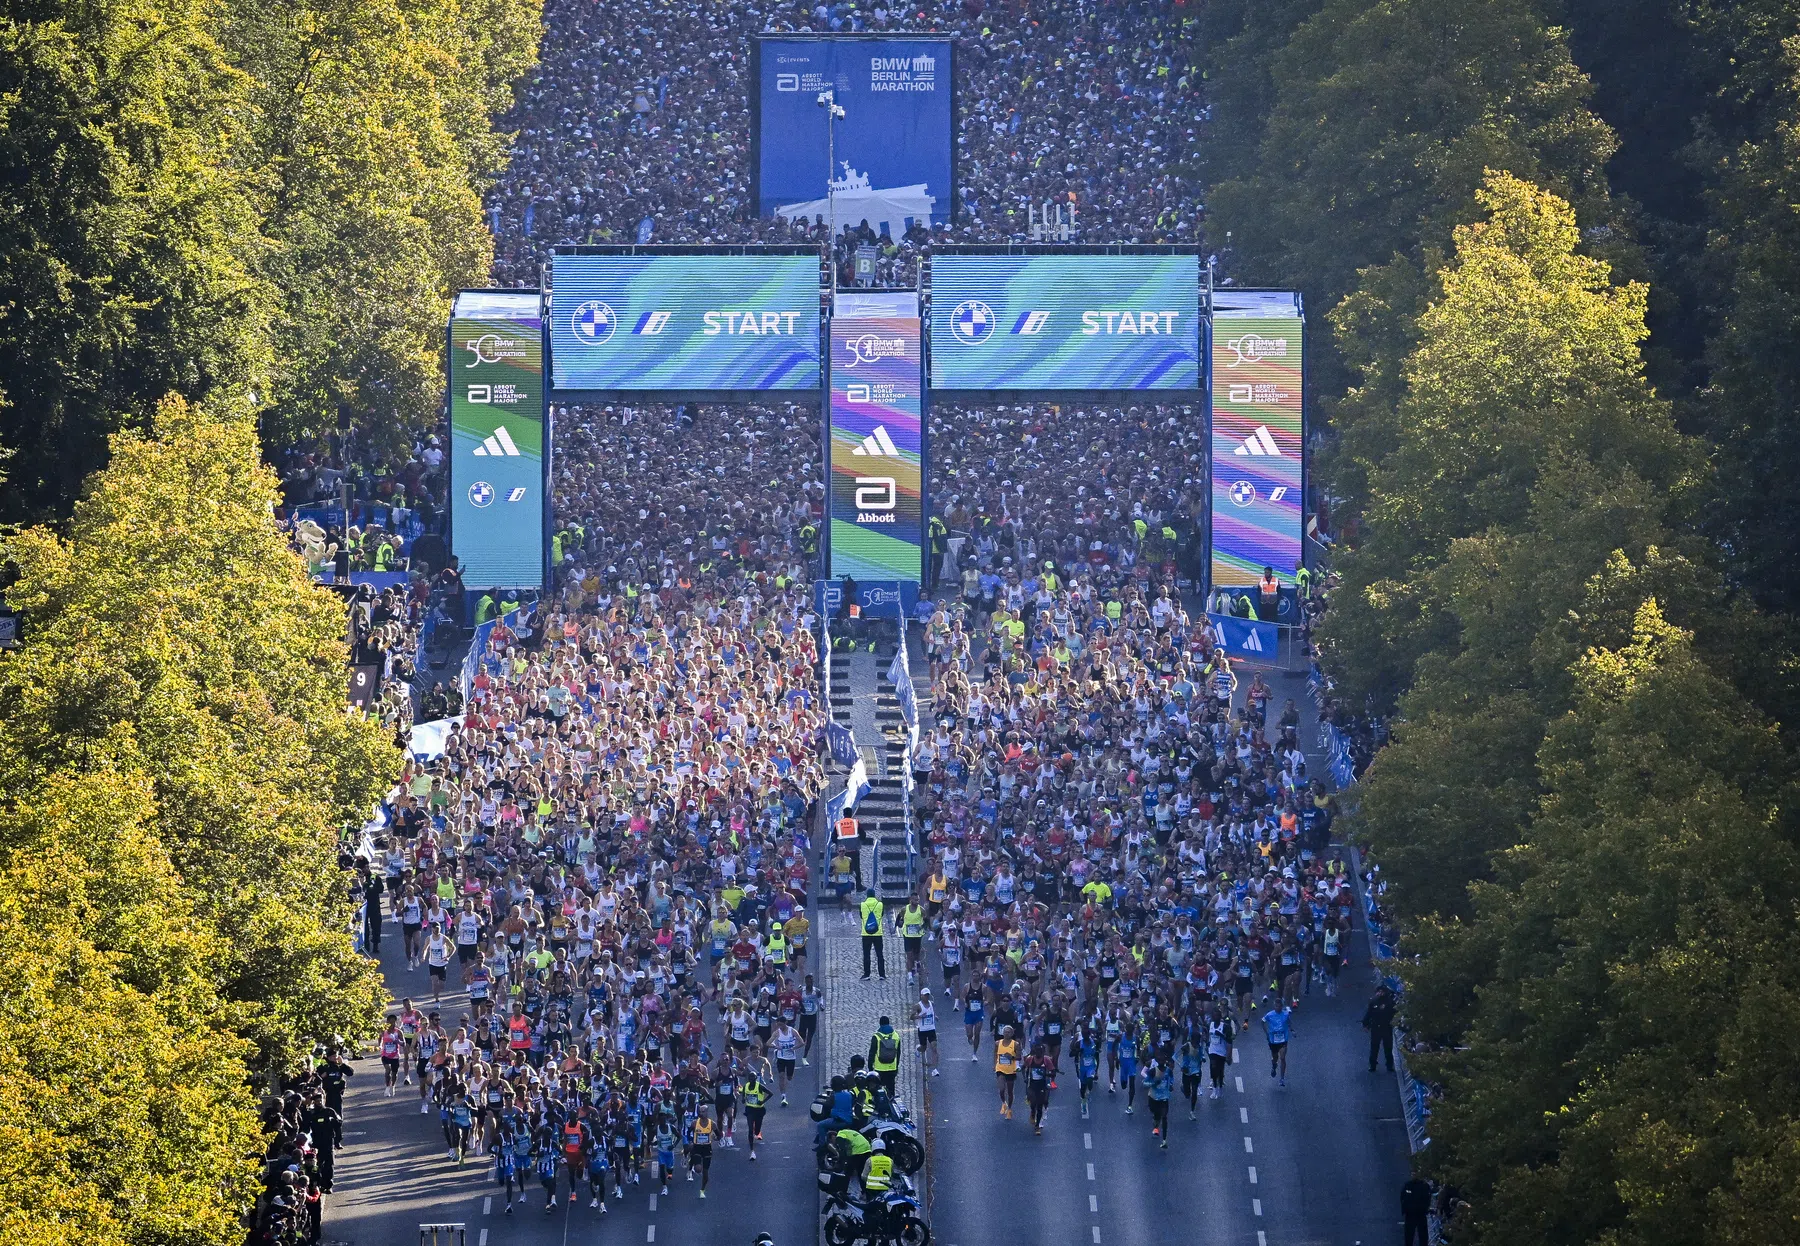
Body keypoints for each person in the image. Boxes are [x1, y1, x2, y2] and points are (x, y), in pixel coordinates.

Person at [1363, 984, 1397, 1073]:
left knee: (1388, 1048)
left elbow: (1395, 1014)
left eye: (1382, 991)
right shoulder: (1373, 1001)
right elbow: (1369, 1013)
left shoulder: (1390, 1002)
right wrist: (1365, 1024)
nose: (1380, 993)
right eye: (1379, 991)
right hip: (1375, 1028)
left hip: (1387, 1028)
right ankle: (1372, 1065)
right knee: (1374, 1048)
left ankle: (1389, 1065)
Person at [1022, 1040, 1054, 1135]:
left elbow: (1053, 1071)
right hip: (1032, 1084)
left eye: (1041, 1052)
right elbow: (1023, 1068)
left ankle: (1037, 1127)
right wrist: (1025, 1079)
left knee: (1040, 1105)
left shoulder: (1046, 1060)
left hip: (1042, 1085)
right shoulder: (1030, 1059)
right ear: (1034, 1052)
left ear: (1043, 1052)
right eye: (1037, 1052)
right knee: (1033, 1103)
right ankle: (1032, 1112)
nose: (1039, 1054)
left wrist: (1047, 1074)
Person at [868, 1016, 902, 1097]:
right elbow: (898, 1053)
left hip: (879, 1068)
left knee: (877, 1090)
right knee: (891, 1089)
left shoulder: (876, 1036)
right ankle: (891, 1103)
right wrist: (896, 1066)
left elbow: (872, 1053)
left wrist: (870, 1067)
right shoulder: (896, 1036)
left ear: (880, 1024)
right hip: (892, 1067)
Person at [1262, 997, 1293, 1087]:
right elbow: (1262, 1022)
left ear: (1282, 1007)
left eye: (1279, 1006)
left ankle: (1282, 1079)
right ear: (1274, 1006)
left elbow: (1289, 1022)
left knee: (1282, 1058)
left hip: (1283, 1040)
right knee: (1275, 1057)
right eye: (1276, 1006)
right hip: (1273, 1040)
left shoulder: (1286, 1014)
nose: (1278, 1008)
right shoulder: (1269, 1015)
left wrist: (1292, 1030)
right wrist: (1267, 1033)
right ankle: (1274, 1065)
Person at [994, 1024, 1020, 1119]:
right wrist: (994, 1064)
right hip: (1000, 1068)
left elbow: (1019, 1057)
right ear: (1002, 1033)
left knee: (1010, 1091)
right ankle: (1003, 1103)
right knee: (1001, 1089)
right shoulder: (998, 1043)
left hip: (1011, 1070)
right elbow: (995, 1053)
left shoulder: (1015, 1044)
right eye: (1005, 1032)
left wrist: (1012, 1057)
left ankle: (1009, 1109)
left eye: (1009, 1032)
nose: (1006, 1033)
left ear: (1012, 1033)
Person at [859, 889, 886, 980]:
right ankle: (882, 974)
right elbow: (881, 915)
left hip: (866, 933)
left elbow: (861, 916)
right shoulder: (880, 904)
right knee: (879, 954)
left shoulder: (862, 905)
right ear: (874, 895)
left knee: (866, 954)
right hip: (878, 933)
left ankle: (867, 974)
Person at [1401, 1174, 1434, 1246]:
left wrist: (1425, 1208)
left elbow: (1428, 1198)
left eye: (1416, 1174)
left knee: (1423, 1235)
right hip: (1410, 1213)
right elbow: (1402, 1197)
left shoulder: (1424, 1186)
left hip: (1421, 1213)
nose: (1414, 1176)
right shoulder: (1408, 1185)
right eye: (1413, 1174)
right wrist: (1404, 1209)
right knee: (1409, 1235)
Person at [914, 988, 939, 1076]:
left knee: (934, 1047)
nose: (927, 996)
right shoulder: (918, 1006)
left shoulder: (931, 1004)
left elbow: (932, 1012)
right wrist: (920, 1016)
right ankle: (917, 1049)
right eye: (925, 995)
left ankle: (935, 1069)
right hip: (922, 1030)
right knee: (923, 1048)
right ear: (921, 996)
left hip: (931, 1029)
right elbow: (911, 1017)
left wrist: (935, 1016)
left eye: (928, 995)